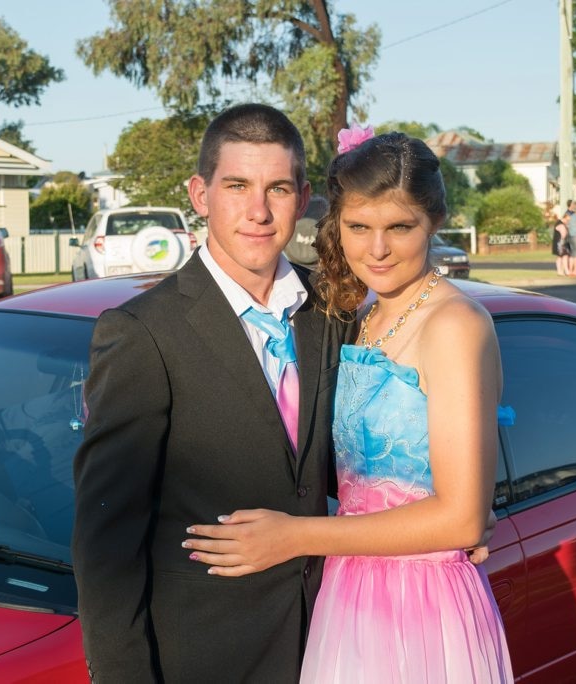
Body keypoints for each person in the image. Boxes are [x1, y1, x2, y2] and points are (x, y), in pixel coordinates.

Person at [185, 131, 513, 682]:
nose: (377, 249)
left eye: (399, 227)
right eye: (359, 228)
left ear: (434, 221)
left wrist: (294, 535)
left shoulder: (455, 324)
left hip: (420, 608)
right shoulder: (361, 317)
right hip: (352, 590)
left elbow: (459, 517)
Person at [71, 103, 354, 682]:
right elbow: (107, 542)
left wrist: (446, 515)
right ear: (201, 195)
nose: (258, 210)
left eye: (277, 188)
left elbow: (341, 466)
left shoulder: (331, 313)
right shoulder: (142, 333)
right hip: (206, 658)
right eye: (237, 186)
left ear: (301, 200)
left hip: (335, 642)